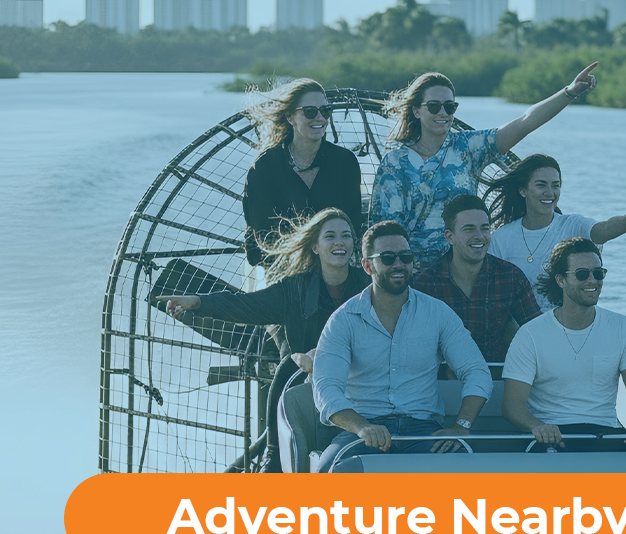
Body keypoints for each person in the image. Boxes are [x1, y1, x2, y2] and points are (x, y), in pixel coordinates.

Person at [157, 208, 370, 470]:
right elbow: (246, 305)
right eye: (330, 236)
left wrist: (325, 356)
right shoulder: (295, 289)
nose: (339, 242)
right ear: (315, 246)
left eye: (346, 236)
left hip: (361, 385)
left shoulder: (370, 287)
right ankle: (274, 452)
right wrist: (199, 302)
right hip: (304, 384)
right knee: (287, 370)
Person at [369, 65, 598, 269]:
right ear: (417, 111)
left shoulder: (468, 147)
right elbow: (384, 230)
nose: (443, 113)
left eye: (450, 107)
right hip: (411, 272)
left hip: (464, 269)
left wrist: (569, 92)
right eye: (434, 106)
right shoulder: (395, 164)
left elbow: (525, 122)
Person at [312, 220, 493, 474]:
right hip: (362, 430)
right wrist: (362, 427)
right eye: (387, 258)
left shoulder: (437, 313)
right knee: (329, 471)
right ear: (367, 265)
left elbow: (477, 371)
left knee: (463, 473)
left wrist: (461, 425)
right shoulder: (343, 320)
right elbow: (326, 388)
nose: (398, 265)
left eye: (405, 257)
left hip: (425, 430)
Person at [502, 236, 626, 448]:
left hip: (606, 433)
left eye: (598, 273)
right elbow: (512, 405)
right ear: (561, 281)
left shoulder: (621, 327)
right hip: (552, 436)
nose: (592, 280)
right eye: (582, 274)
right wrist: (537, 427)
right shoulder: (530, 334)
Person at [486, 153, 626, 310]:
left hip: (569, 327)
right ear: (523, 190)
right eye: (541, 185)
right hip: (521, 333)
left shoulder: (572, 225)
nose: (550, 193)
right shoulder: (501, 239)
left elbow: (603, 230)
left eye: (555, 185)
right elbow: (492, 294)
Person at [243, 78, 363, 266]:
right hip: (282, 268)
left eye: (325, 111)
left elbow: (353, 224)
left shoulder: (345, 162)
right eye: (310, 112)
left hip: (335, 266)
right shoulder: (265, 168)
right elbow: (261, 237)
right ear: (290, 117)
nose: (320, 118)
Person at [413, 194, 540, 362]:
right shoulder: (425, 283)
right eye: (469, 229)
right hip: (442, 380)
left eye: (485, 228)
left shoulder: (510, 277)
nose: (480, 236)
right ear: (449, 237)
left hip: (496, 377)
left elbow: (538, 333)